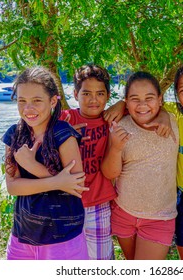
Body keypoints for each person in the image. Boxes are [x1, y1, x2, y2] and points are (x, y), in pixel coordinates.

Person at [1, 66, 89, 260]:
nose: (27, 109)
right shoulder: (14, 135)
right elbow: (13, 187)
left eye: (36, 101)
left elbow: (76, 186)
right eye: (22, 101)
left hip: (63, 238)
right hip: (22, 236)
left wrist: (33, 167)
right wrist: (57, 182)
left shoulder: (63, 134)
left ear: (53, 101)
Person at [101, 71, 180, 260]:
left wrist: (163, 116)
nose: (143, 104)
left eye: (149, 98)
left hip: (160, 217)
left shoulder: (174, 119)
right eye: (134, 99)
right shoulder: (119, 125)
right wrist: (116, 149)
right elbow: (109, 173)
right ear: (126, 102)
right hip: (123, 212)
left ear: (160, 99)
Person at [59, 64, 118, 260]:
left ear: (108, 96)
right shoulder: (66, 119)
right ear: (75, 94)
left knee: (100, 259)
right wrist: (66, 135)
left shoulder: (112, 119)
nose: (93, 99)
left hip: (98, 203)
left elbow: (145, 107)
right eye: (86, 93)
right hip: (66, 202)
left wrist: (123, 103)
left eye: (100, 93)